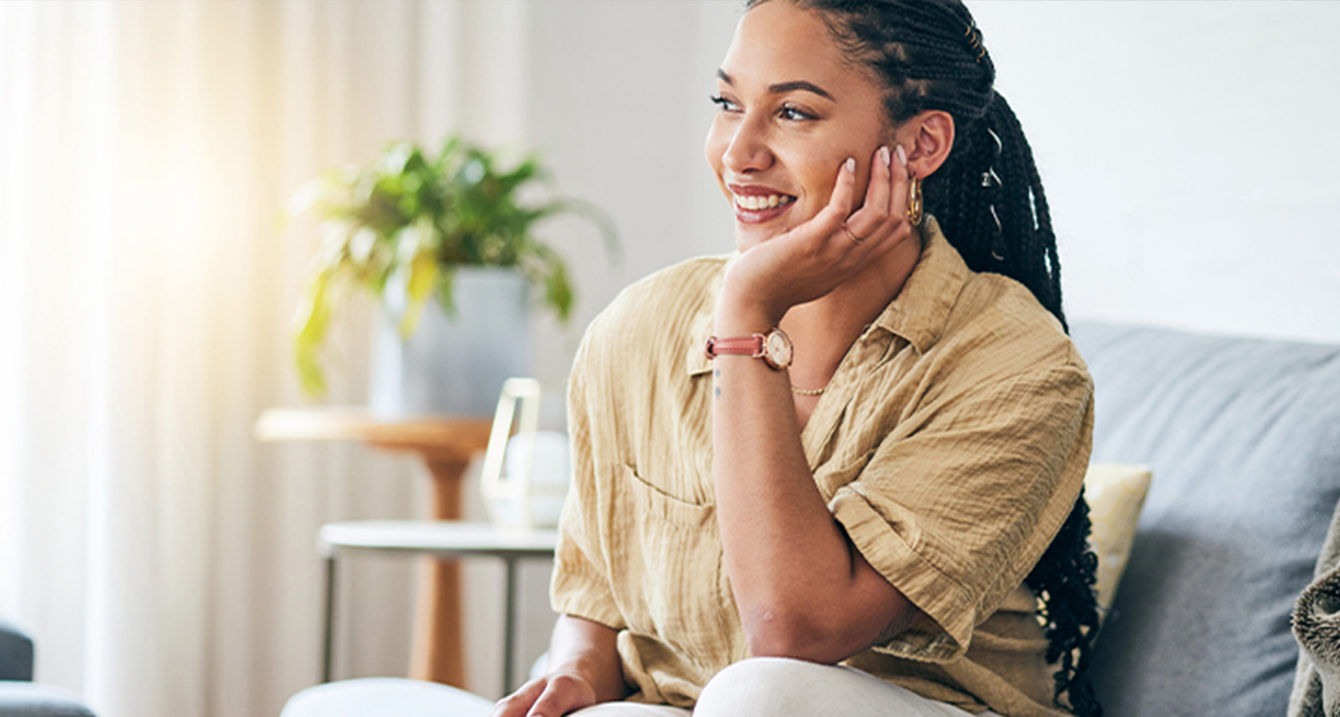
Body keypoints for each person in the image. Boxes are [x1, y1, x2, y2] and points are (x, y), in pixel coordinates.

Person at [495, 1, 1102, 716]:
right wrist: (576, 671)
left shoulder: (1017, 366)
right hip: (676, 708)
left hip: (887, 705)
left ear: (921, 145)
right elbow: (598, 592)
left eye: (794, 114)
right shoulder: (640, 326)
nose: (738, 152)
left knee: (763, 692)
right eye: (727, 103)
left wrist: (747, 319)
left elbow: (794, 629)